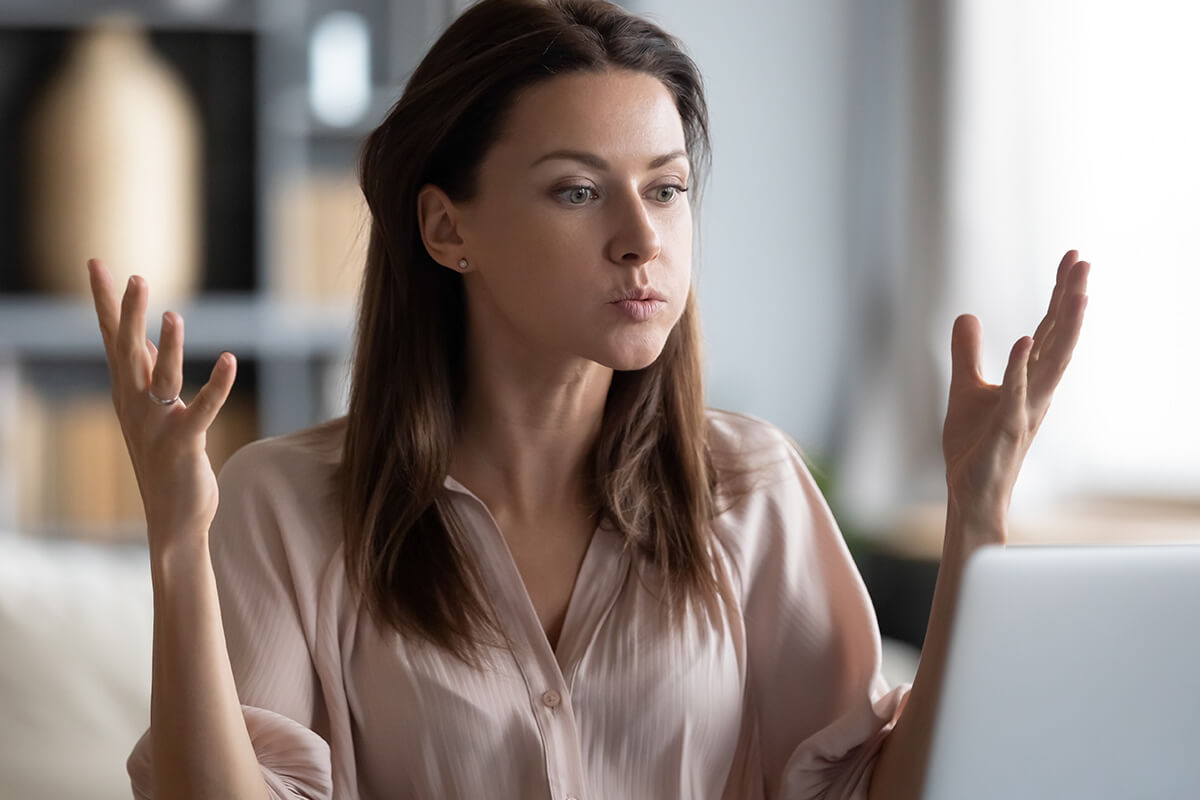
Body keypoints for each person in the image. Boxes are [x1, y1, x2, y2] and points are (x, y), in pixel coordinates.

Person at [86, 0, 1089, 797]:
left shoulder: (753, 485)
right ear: (446, 228)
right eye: (577, 189)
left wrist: (977, 513)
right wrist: (176, 541)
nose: (641, 238)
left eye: (666, 187)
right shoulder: (284, 503)